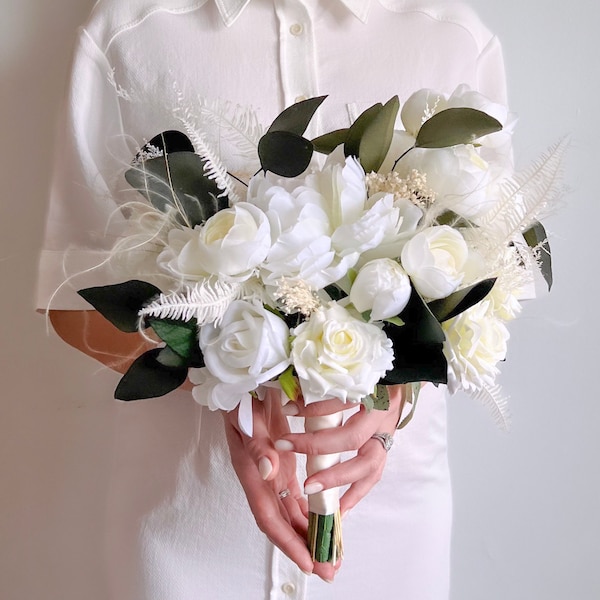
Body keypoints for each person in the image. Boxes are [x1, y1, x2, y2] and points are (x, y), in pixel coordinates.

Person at [38, 1, 508, 598]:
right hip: (188, 535)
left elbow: (485, 283)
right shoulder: (132, 31)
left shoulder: (454, 37)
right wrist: (230, 380)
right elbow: (71, 302)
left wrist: (391, 404)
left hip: (389, 532)